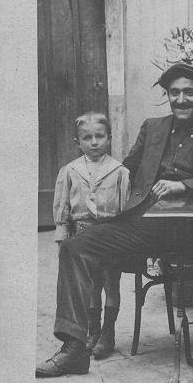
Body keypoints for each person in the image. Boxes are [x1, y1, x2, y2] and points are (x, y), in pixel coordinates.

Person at [36, 62, 193, 377]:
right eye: (175, 93)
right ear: (168, 96)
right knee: (75, 247)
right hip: (145, 224)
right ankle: (74, 349)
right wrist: (89, 178)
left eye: (190, 92)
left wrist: (184, 185)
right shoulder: (153, 128)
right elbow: (126, 170)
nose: (182, 99)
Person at [52, 112, 131, 360]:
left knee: (110, 284)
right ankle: (92, 332)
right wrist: (63, 237)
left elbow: (126, 207)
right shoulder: (70, 171)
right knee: (90, 288)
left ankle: (108, 334)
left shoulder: (119, 171)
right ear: (78, 142)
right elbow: (62, 207)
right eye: (87, 138)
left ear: (109, 138)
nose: (94, 142)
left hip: (110, 234)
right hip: (81, 234)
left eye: (100, 136)